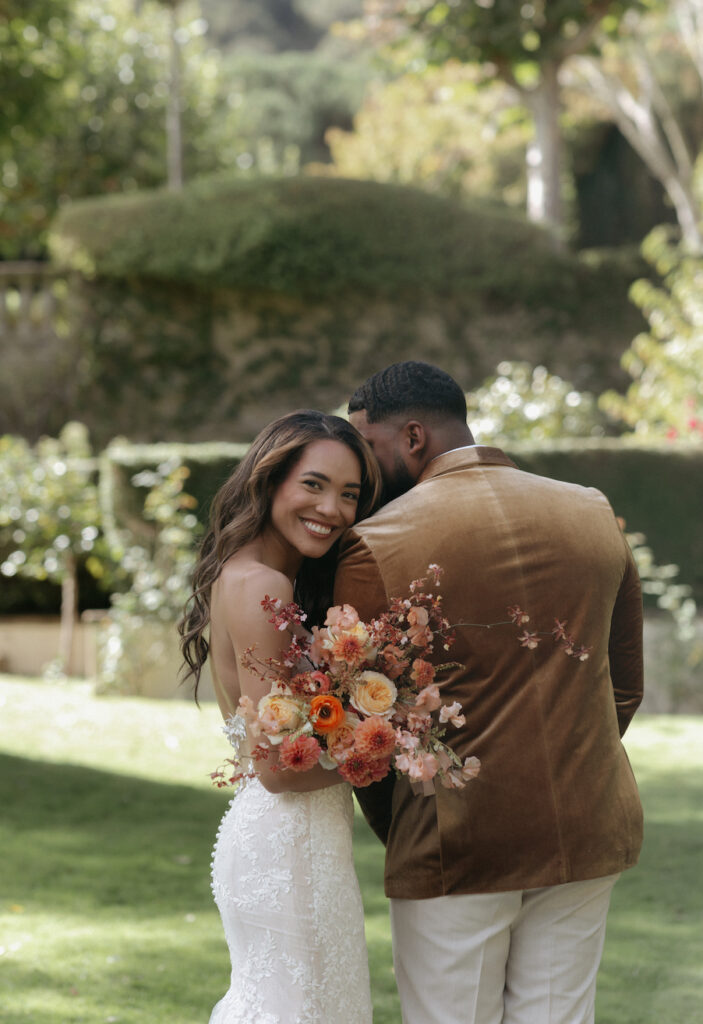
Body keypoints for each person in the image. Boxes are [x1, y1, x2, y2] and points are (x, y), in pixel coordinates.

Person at [334, 361, 644, 1024]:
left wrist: (408, 826)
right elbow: (623, 687)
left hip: (454, 838)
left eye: (368, 445)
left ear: (412, 437)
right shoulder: (590, 511)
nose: (360, 469)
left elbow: (365, 732)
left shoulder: (375, 543)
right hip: (586, 823)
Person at [179, 410, 381, 1024]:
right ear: (270, 481)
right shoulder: (264, 586)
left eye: (350, 494)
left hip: (290, 839)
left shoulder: (242, 574)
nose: (333, 508)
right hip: (289, 845)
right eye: (314, 484)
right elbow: (277, 768)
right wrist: (387, 750)